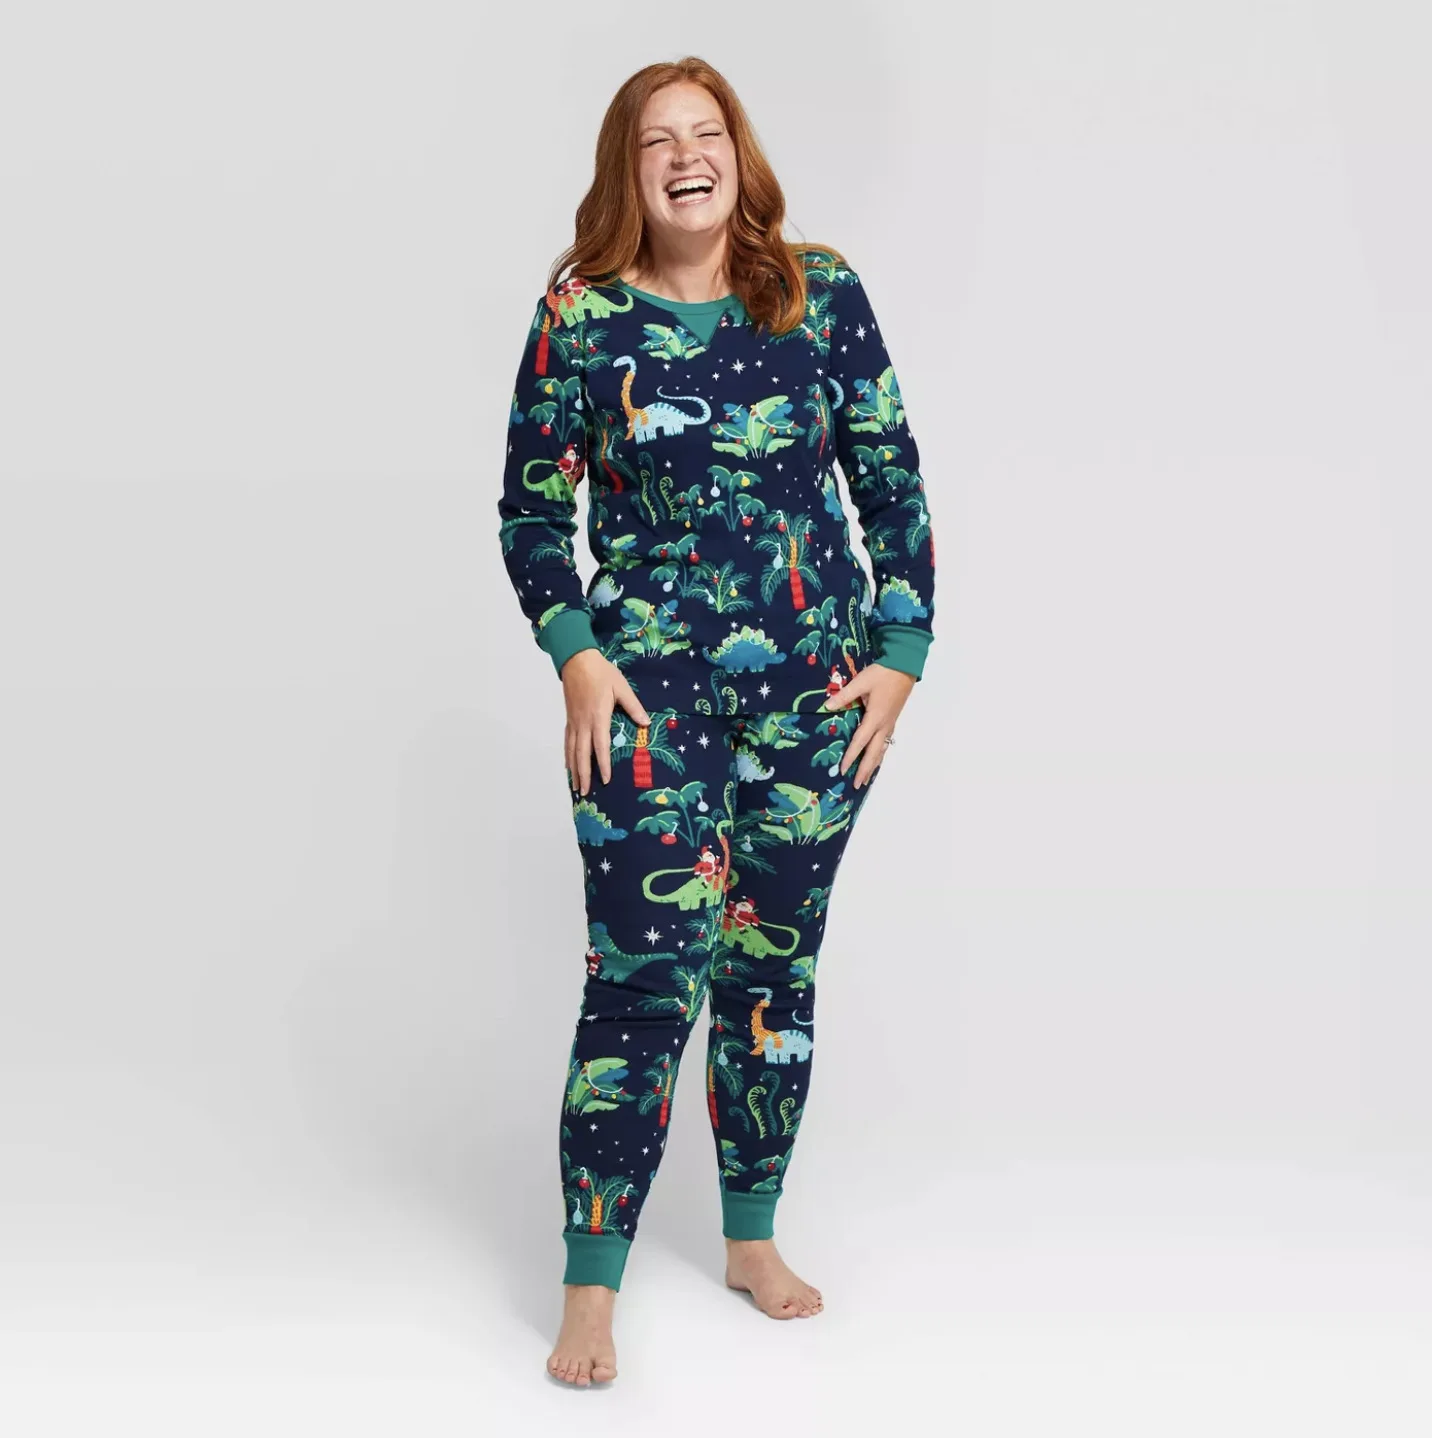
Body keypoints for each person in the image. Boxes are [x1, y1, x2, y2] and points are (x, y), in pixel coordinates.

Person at [495, 56, 937, 1387]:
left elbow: (889, 476)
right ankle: (590, 1288)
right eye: (657, 140)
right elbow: (531, 511)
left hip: (813, 695)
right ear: (624, 170)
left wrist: (902, 652)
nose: (686, 155)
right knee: (643, 970)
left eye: (708, 133)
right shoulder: (579, 316)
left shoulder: (820, 292)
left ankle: (751, 1238)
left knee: (770, 964)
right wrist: (575, 656)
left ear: (739, 155)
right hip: (642, 692)